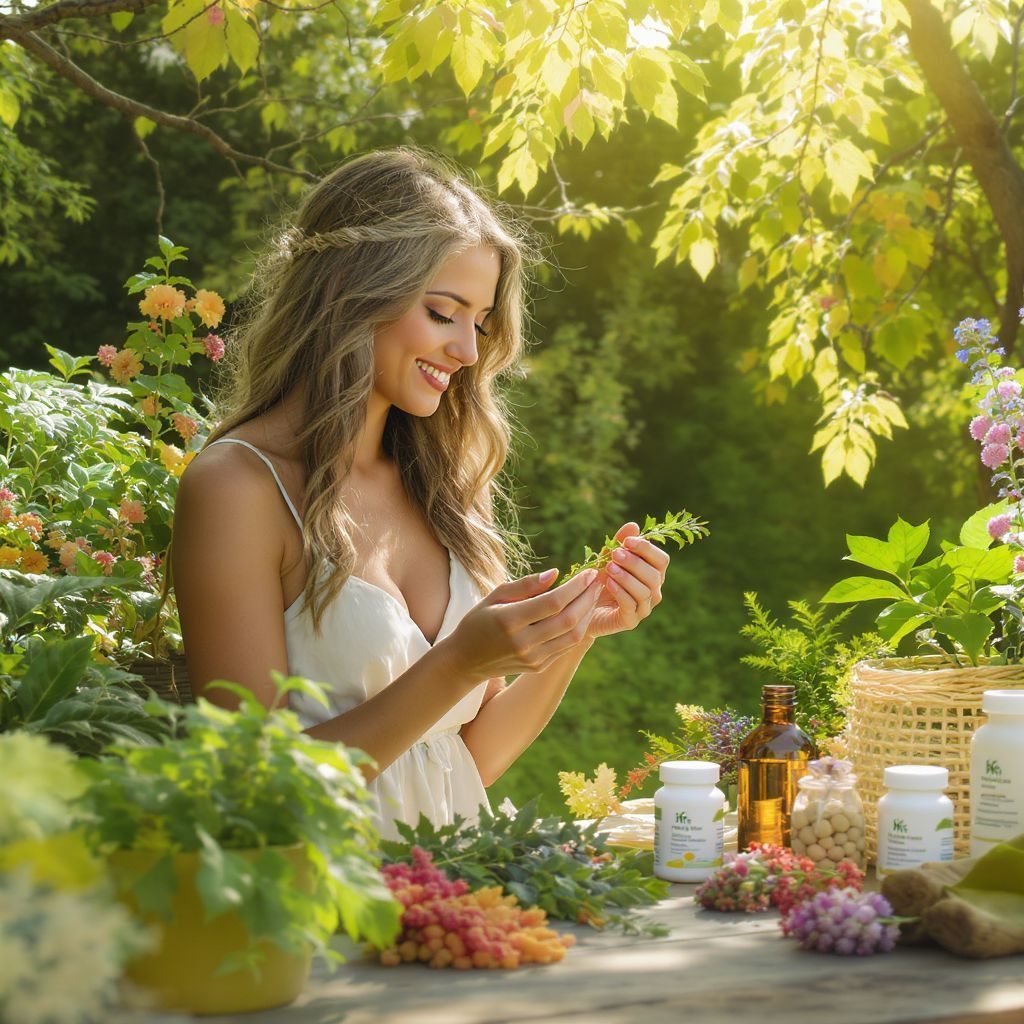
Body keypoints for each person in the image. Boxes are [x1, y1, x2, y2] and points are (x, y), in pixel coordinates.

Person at [170, 145, 670, 842]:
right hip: (316, 907)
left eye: (481, 322)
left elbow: (461, 759)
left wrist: (573, 633)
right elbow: (255, 788)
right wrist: (458, 661)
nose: (469, 351)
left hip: (452, 894)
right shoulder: (238, 488)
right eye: (443, 312)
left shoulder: (448, 490)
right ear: (349, 289)